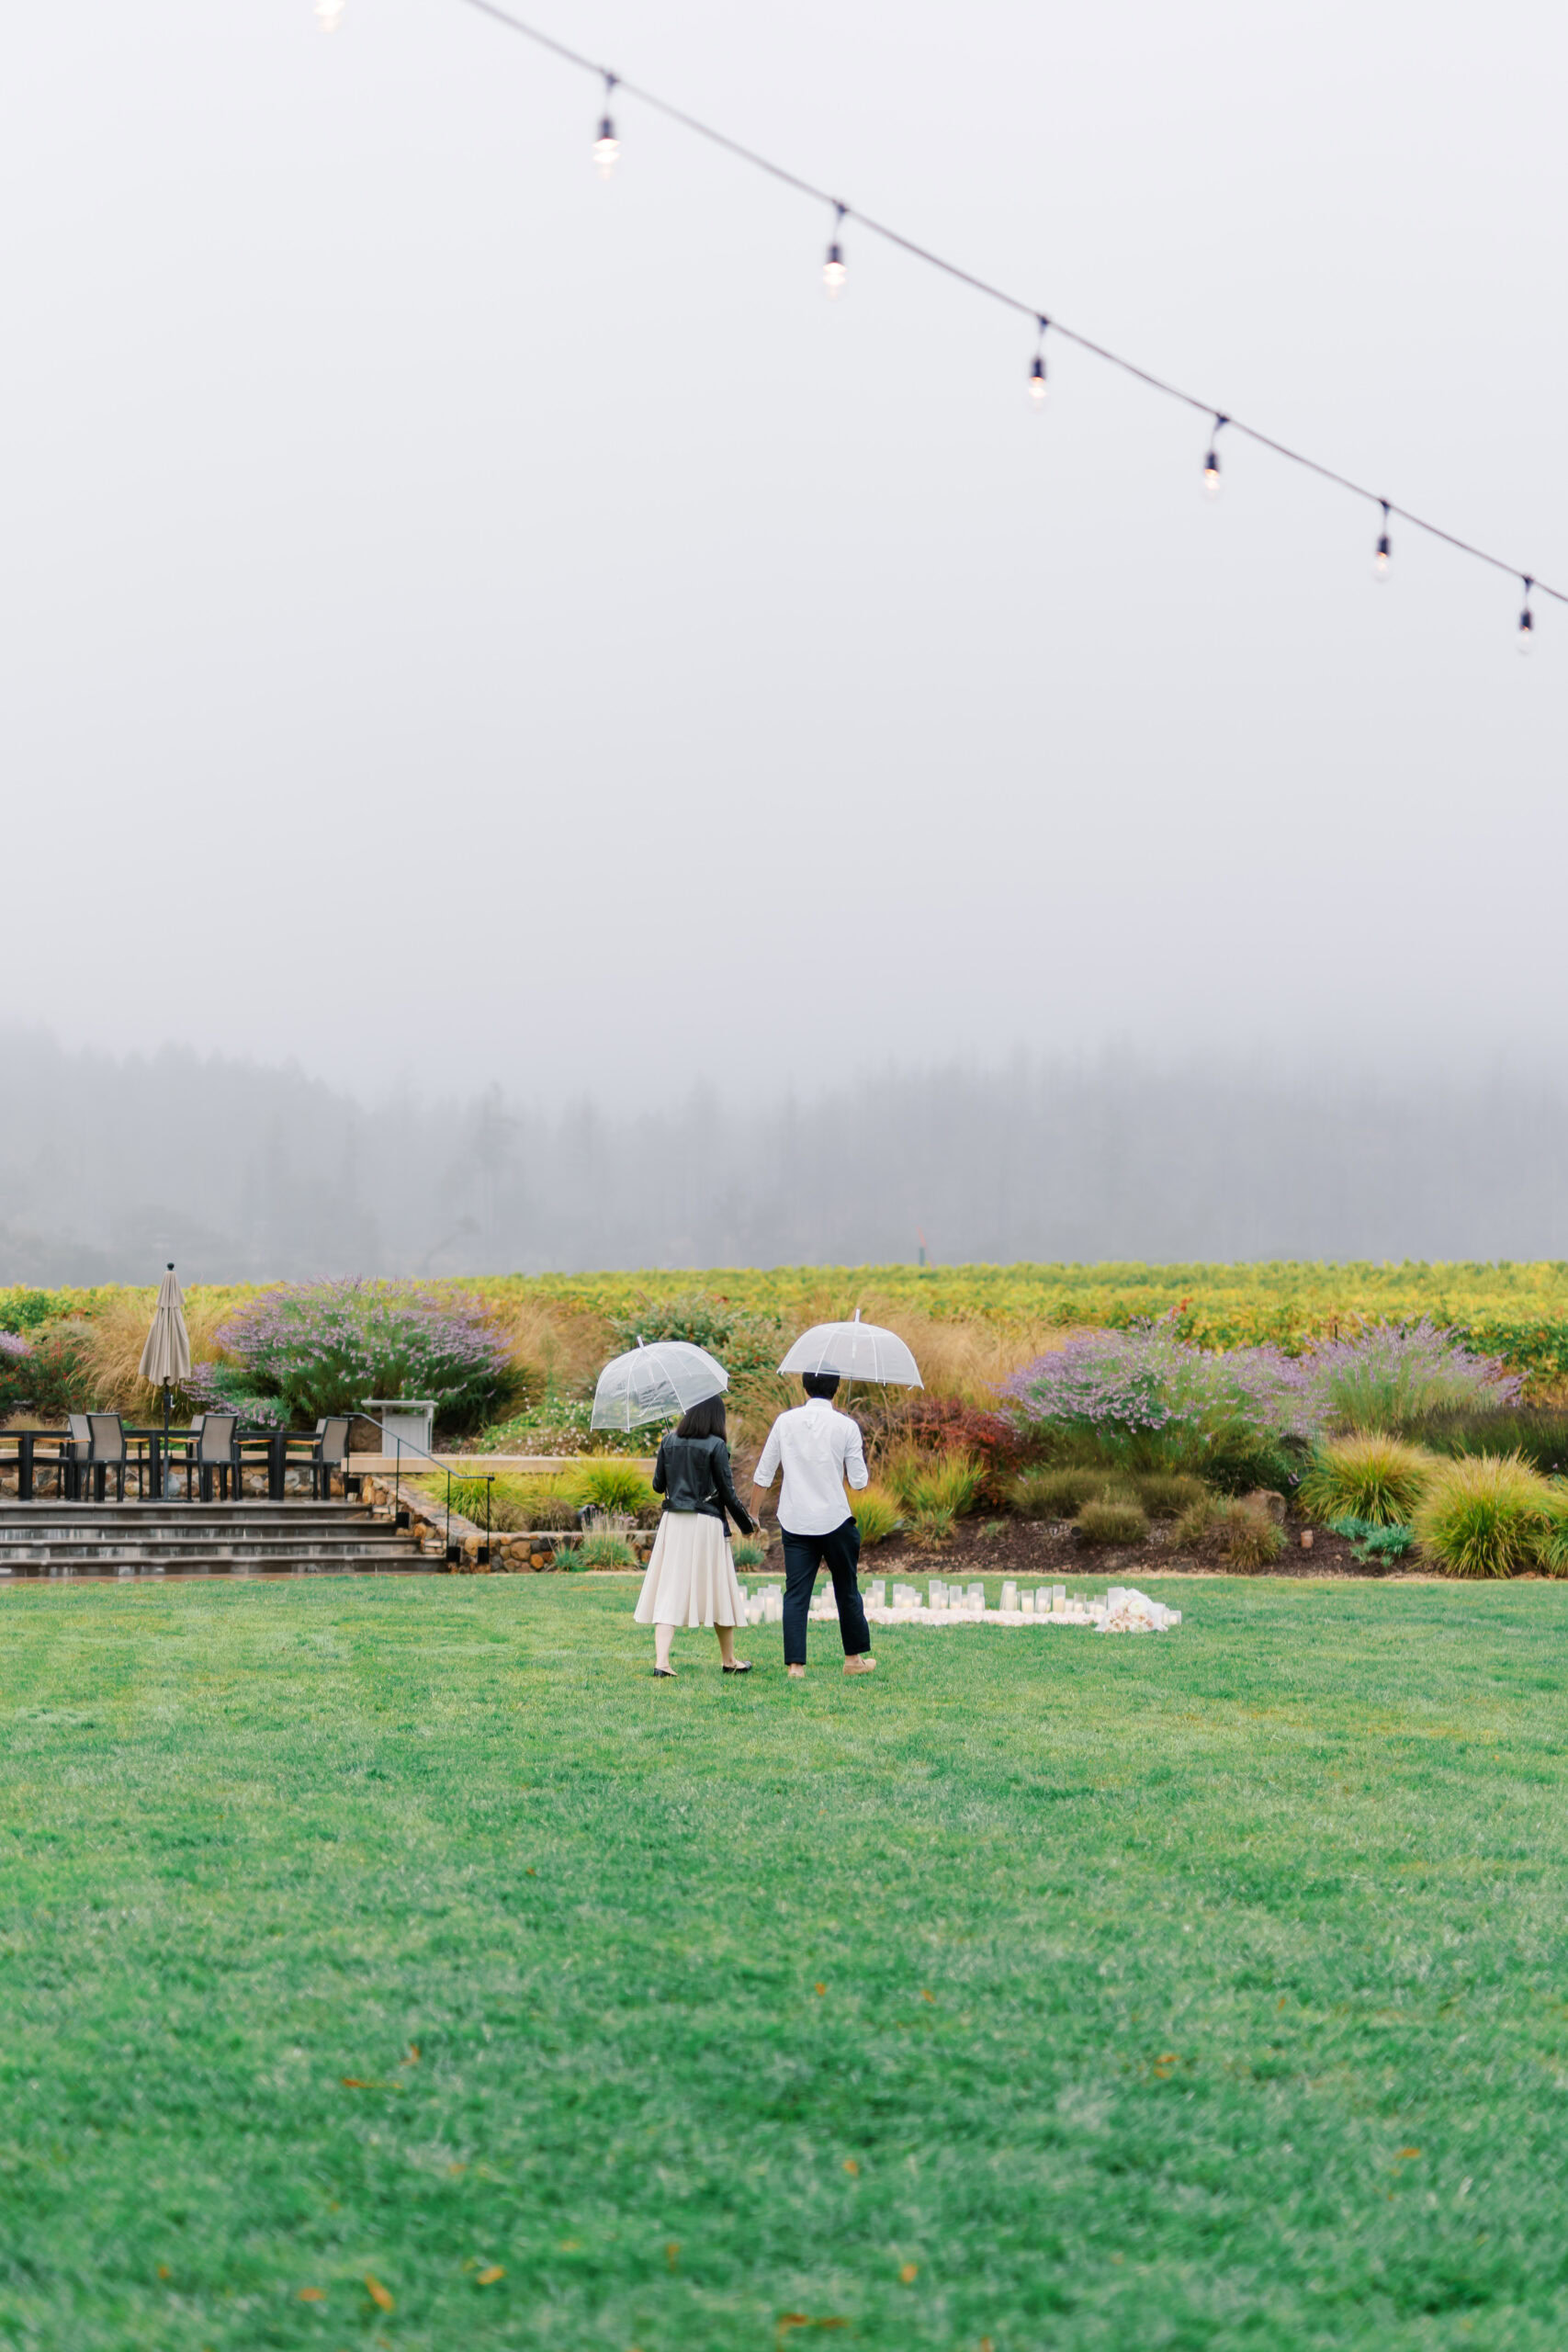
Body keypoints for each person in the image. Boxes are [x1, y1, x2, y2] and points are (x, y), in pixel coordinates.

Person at [751, 1372, 874, 1679]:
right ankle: (852, 1660)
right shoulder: (847, 1426)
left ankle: (796, 1666)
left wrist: (753, 1515)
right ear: (837, 1389)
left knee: (795, 1593)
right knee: (847, 1590)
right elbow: (859, 1483)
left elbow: (764, 1472)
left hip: (795, 1520)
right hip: (835, 1520)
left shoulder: (784, 1421)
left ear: (804, 1387)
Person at [634, 1395, 756, 1678]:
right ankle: (729, 1660)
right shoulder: (717, 1445)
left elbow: (657, 1486)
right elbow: (728, 1493)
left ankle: (662, 1662)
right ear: (716, 1418)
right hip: (706, 1524)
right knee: (719, 1587)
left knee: (670, 1587)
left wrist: (668, 1456)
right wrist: (747, 1526)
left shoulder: (668, 1441)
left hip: (674, 1523)